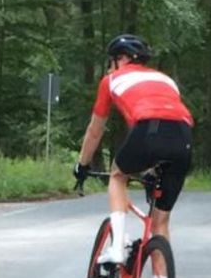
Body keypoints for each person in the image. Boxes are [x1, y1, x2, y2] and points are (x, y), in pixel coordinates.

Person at [74, 34, 194, 264]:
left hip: (149, 128)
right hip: (184, 137)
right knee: (160, 224)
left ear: (122, 59)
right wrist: (151, 170)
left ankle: (117, 247)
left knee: (118, 175)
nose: (110, 67)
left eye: (112, 61)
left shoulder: (111, 80)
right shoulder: (166, 80)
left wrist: (83, 164)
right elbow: (167, 122)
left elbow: (94, 131)